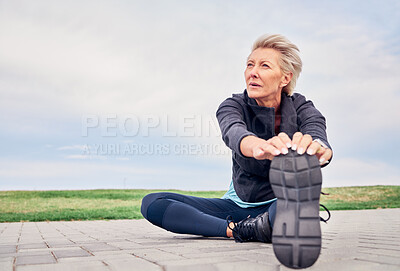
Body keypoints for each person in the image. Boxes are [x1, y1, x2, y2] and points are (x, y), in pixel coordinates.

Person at [141, 34, 332, 269]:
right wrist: (258, 147)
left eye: (264, 65)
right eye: (249, 64)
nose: (252, 72)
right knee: (153, 202)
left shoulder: (302, 107)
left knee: (291, 206)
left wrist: (318, 150)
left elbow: (317, 132)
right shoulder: (233, 105)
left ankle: (282, 219)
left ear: (285, 77)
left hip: (279, 204)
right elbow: (234, 132)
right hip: (236, 207)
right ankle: (239, 231)